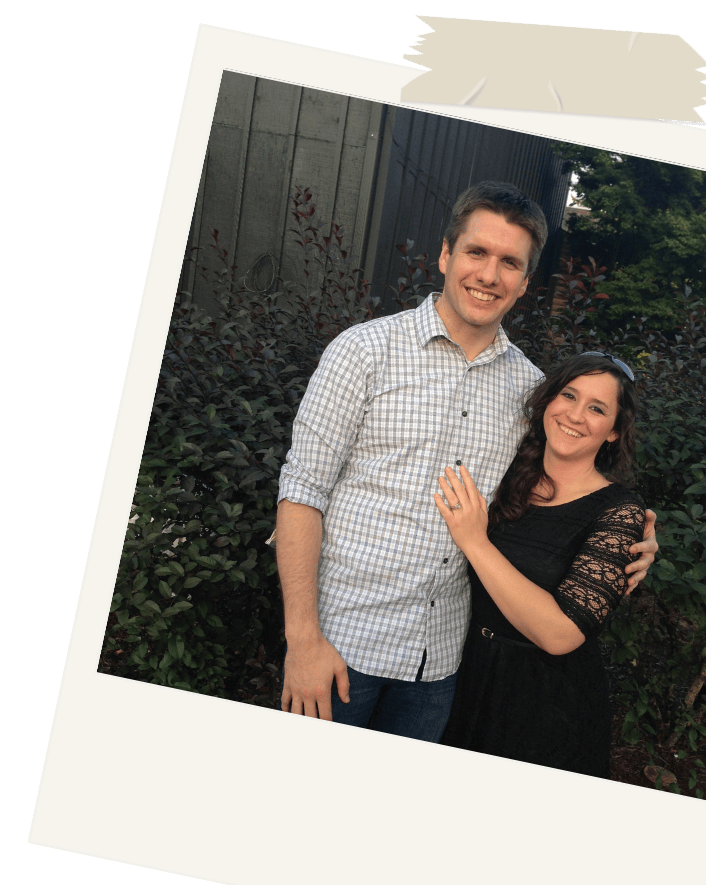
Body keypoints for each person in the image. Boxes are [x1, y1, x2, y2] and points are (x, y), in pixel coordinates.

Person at [276, 180, 659, 741]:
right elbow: (301, 493)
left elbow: (559, 491)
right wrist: (303, 639)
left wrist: (629, 537)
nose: (488, 275)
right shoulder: (362, 351)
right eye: (477, 252)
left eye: (510, 263)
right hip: (341, 646)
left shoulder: (532, 392)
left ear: (525, 283)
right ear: (446, 254)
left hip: (442, 665)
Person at [435, 353, 643, 777]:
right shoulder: (507, 476)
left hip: (547, 701)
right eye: (569, 395)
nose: (576, 415)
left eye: (597, 408)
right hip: (465, 674)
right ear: (548, 401)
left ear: (613, 432)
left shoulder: (620, 512)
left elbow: (561, 634)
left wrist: (475, 542)